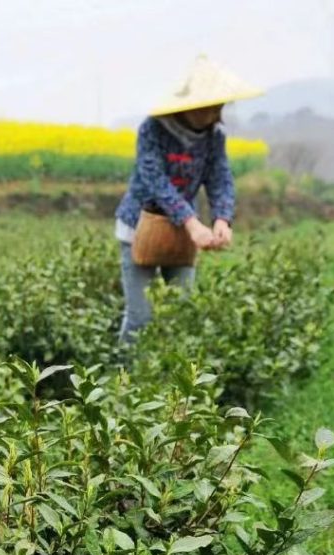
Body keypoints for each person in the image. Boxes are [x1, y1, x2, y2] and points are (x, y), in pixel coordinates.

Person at [114, 55, 263, 343]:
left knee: (181, 313)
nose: (210, 113)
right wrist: (193, 223)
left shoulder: (215, 135)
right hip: (139, 226)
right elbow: (155, 180)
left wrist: (222, 218)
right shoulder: (153, 128)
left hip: (183, 232)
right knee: (140, 318)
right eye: (204, 106)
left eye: (215, 106)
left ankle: (172, 383)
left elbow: (220, 177)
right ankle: (122, 381)